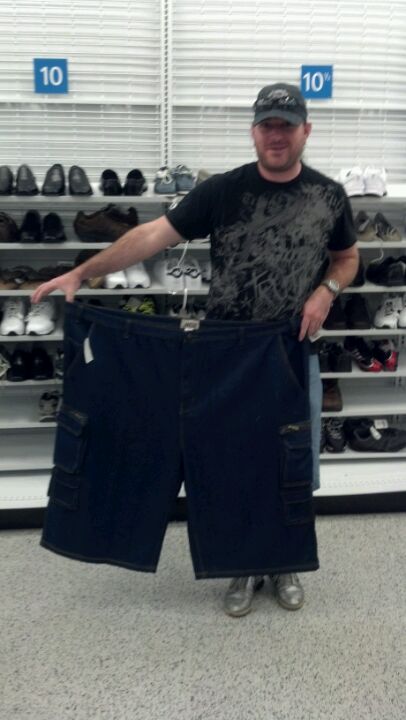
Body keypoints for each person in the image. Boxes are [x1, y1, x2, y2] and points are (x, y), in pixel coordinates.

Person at [32, 82, 359, 618]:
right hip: (225, 352)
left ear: (306, 130)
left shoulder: (329, 195)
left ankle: (283, 561)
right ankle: (242, 563)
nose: (276, 135)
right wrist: (83, 272)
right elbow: (151, 237)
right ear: (254, 132)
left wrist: (326, 291)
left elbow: (347, 258)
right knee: (233, 466)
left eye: (286, 125)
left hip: (290, 349)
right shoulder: (223, 191)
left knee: (289, 464)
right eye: (267, 125)